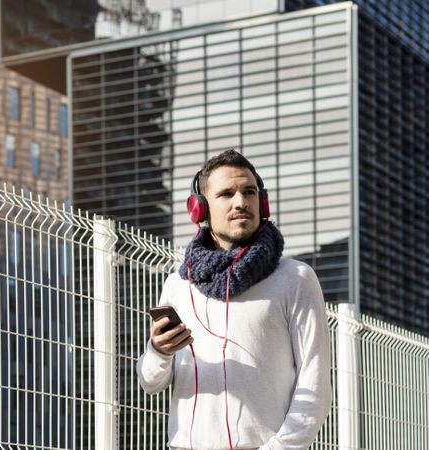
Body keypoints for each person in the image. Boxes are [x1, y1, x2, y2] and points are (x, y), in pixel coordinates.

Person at [136, 149, 331, 450]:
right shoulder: (177, 285)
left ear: (261, 202)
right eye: (226, 193)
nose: (241, 202)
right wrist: (158, 351)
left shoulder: (296, 278)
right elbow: (151, 382)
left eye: (249, 191)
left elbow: (314, 384)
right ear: (200, 209)